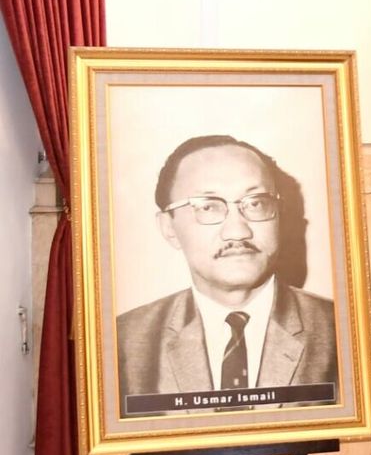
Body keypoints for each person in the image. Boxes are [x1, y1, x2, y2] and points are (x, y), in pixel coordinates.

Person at [117, 135, 338, 415]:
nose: (238, 231)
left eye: (255, 203)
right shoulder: (123, 343)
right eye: (208, 206)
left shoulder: (340, 332)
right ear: (168, 228)